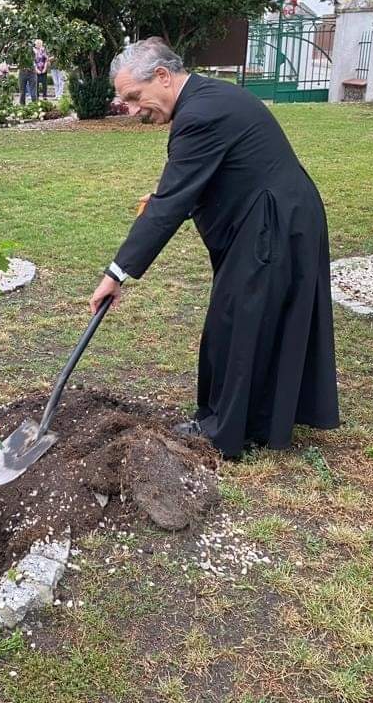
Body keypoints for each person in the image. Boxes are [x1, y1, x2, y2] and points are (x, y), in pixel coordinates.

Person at [89, 37, 339, 459]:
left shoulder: (199, 114)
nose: (132, 110)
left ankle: (223, 432)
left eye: (134, 97)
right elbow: (200, 182)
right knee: (250, 318)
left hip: (272, 222)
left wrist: (116, 274)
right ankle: (252, 420)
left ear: (163, 77)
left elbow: (172, 203)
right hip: (279, 213)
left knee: (239, 320)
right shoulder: (205, 99)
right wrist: (169, 200)